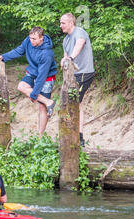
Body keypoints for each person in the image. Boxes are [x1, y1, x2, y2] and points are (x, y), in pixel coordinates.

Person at [0, 27, 57, 136]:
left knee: (42, 108)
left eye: (35, 39)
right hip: (32, 72)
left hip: (46, 78)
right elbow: (19, 51)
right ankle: (49, 102)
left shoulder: (47, 53)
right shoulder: (28, 41)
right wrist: (3, 57)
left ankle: (40, 136)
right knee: (21, 86)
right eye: (30, 38)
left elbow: (42, 77)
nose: (32, 41)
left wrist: (34, 94)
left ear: (41, 38)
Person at [60, 13, 95, 147]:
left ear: (71, 23)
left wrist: (71, 58)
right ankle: (75, 134)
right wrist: (64, 60)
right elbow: (66, 56)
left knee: (74, 101)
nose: (60, 26)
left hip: (84, 73)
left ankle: (79, 137)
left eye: (63, 23)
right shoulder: (65, 40)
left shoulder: (80, 32)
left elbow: (79, 45)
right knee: (73, 102)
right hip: (74, 74)